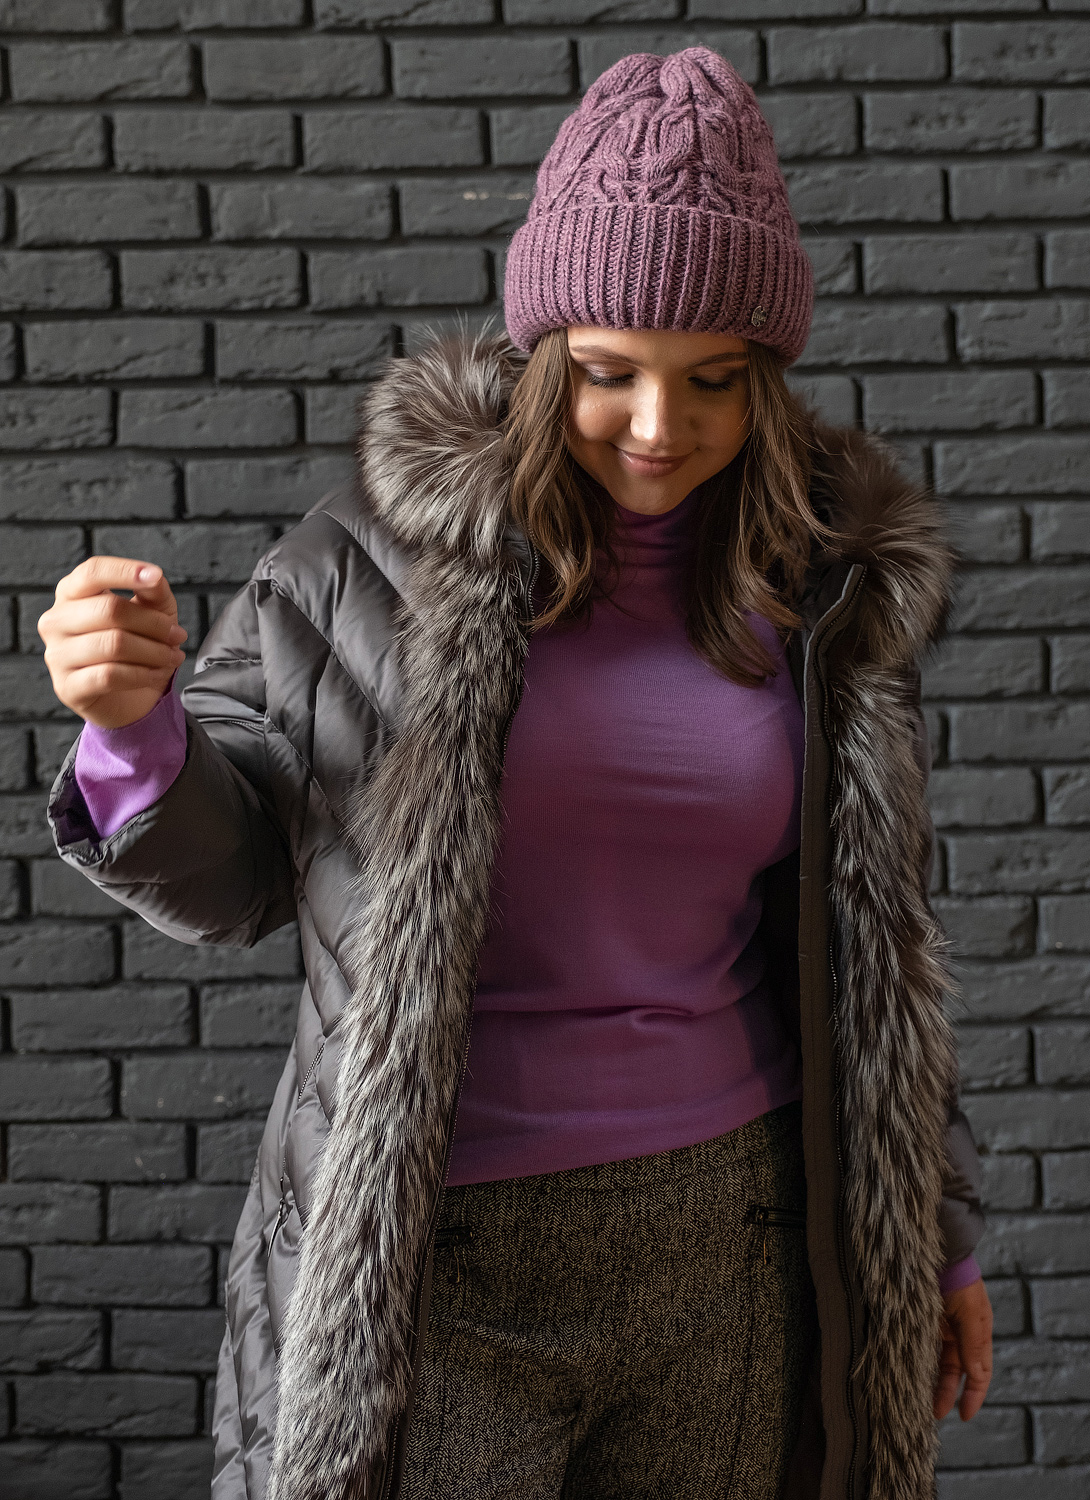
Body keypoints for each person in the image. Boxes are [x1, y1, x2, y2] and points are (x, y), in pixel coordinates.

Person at [40, 46, 990, 1500]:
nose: (659, 426)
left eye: (713, 381)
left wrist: (937, 1241)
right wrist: (131, 730)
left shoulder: (827, 600)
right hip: (442, 1269)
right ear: (546, 358)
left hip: (733, 1252)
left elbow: (874, 959)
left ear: (766, 378)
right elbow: (232, 875)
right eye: (609, 372)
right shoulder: (374, 566)